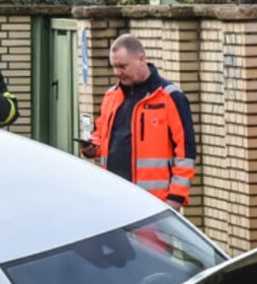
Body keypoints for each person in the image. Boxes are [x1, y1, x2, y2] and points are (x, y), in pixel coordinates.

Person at [81, 34, 196, 210]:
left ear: (141, 59)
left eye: (122, 66)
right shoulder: (111, 97)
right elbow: (100, 137)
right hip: (113, 198)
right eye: (114, 67)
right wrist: (91, 148)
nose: (117, 72)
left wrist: (176, 197)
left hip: (154, 203)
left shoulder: (170, 97)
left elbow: (186, 151)